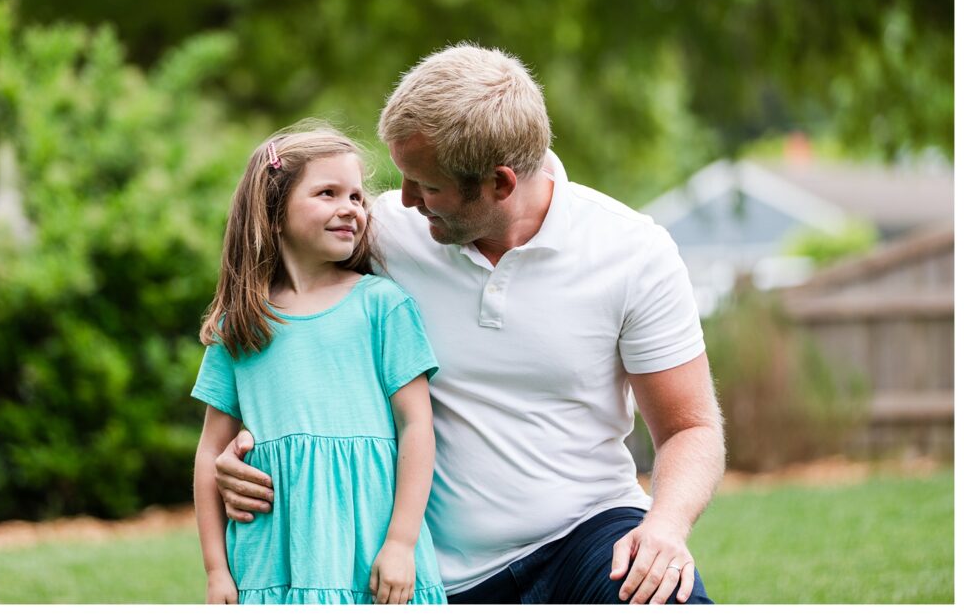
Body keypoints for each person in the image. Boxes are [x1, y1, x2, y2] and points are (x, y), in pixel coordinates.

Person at [213, 46, 726, 604]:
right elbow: (286, 310)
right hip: (430, 571)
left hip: (589, 533)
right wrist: (242, 447)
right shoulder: (381, 233)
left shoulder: (632, 253)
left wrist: (665, 526)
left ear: (499, 184)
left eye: (425, 185)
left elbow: (690, 427)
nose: (401, 199)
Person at [191, 124, 447, 605]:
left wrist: (401, 543)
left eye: (355, 196)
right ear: (274, 211)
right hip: (271, 559)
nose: (350, 207)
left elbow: (417, 426)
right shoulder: (241, 325)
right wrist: (215, 571)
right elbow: (210, 452)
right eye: (327, 193)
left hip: (370, 554)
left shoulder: (382, 307)